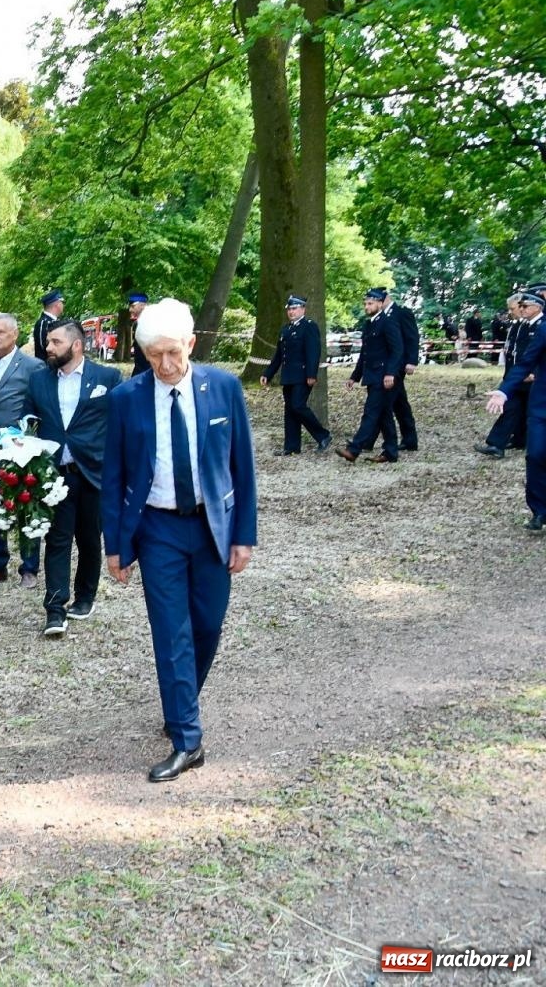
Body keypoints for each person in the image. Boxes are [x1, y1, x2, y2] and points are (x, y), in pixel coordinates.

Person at [100, 297, 257, 782]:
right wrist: (115, 545)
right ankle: (188, 739)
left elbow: (242, 467)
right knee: (172, 633)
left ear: (191, 344)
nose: (165, 366)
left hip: (212, 526)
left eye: (173, 353)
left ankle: (180, 702)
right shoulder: (127, 399)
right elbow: (114, 475)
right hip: (157, 529)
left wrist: (244, 536)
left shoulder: (225, 389)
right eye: (154, 356)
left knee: (206, 626)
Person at [27, 319, 122, 637]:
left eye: (55, 342)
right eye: (49, 342)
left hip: (94, 473)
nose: (48, 347)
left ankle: (85, 597)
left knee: (89, 538)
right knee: (56, 540)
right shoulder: (38, 380)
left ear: (77, 345)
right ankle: (55, 610)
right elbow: (28, 422)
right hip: (55, 475)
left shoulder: (107, 378)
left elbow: (122, 423)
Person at [0, 313, 41, 587]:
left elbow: (37, 406)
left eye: (0, 332)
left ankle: (29, 568)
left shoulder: (32, 367)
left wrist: (29, 437)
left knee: (25, 506)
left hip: (18, 445)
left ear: (15, 334)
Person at [486, 290, 546, 532]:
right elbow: (525, 362)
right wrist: (504, 391)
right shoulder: (544, 329)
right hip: (541, 405)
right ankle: (540, 511)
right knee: (535, 455)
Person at [337, 288, 405, 464]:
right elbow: (365, 355)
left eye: (370, 303)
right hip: (372, 375)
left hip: (384, 376)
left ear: (380, 303)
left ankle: (354, 450)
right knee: (384, 415)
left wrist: (390, 373)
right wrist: (354, 376)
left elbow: (397, 350)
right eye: (365, 303)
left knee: (371, 413)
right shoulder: (369, 325)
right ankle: (390, 452)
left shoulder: (388, 323)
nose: (367, 306)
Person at [260, 294, 330, 455]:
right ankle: (291, 446)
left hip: (303, 374)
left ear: (302, 309)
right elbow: (279, 355)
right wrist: (268, 373)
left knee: (298, 406)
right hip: (288, 375)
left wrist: (311, 374)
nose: (291, 312)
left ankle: (323, 435)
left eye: (294, 308)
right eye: (289, 309)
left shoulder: (309, 326)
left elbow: (313, 352)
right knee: (290, 410)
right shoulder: (286, 329)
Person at [478, 293, 537, 458]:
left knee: (522, 410)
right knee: (513, 408)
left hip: (530, 377)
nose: (511, 312)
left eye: (513, 308)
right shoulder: (519, 325)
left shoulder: (537, 325)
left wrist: (534, 373)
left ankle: (505, 442)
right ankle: (501, 443)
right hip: (518, 376)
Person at [384, 293, 421, 452]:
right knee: (400, 404)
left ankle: (366, 440)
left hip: (399, 364)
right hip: (388, 364)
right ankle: (410, 439)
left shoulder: (402, 313)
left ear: (385, 298)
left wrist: (412, 361)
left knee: (383, 403)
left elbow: (412, 337)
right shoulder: (383, 315)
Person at [33, 289, 65, 365]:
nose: (63, 305)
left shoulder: (52, 322)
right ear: (57, 304)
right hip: (46, 367)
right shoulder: (43, 323)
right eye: (62, 302)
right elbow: (44, 347)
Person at [126, 292, 150, 376]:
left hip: (147, 371)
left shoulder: (151, 323)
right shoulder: (138, 323)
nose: (130, 310)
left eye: (133, 306)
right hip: (140, 370)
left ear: (142, 305)